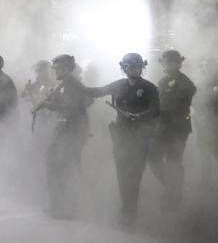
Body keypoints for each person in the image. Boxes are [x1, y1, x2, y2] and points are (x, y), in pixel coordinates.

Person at [84, 53, 160, 226]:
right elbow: (96, 92)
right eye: (131, 66)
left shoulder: (149, 88)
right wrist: (75, 84)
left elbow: (156, 110)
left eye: (138, 66)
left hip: (140, 137)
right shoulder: (118, 85)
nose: (135, 69)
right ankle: (126, 209)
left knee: (134, 175)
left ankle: (130, 214)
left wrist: (139, 116)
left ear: (142, 67)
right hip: (121, 136)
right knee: (122, 174)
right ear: (124, 68)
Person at [37, 55, 89, 219]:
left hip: (72, 131)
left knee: (66, 169)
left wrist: (48, 105)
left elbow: (71, 108)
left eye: (58, 68)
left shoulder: (74, 85)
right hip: (62, 129)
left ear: (66, 69)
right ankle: (57, 206)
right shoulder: (62, 84)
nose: (55, 71)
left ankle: (70, 208)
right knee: (53, 166)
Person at [149, 50, 196, 210]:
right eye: (164, 61)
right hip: (163, 128)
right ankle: (171, 187)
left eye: (170, 62)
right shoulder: (162, 81)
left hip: (178, 129)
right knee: (153, 157)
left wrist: (157, 112)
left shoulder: (186, 84)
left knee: (174, 162)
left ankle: (175, 196)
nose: (166, 64)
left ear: (178, 63)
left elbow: (179, 107)